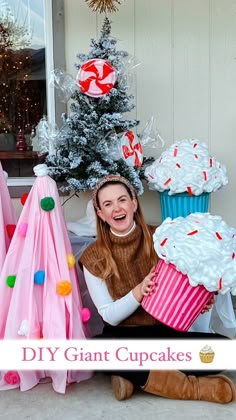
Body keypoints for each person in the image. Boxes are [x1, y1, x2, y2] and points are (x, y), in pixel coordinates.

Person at [79, 174, 236, 404]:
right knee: (93, 350)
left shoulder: (163, 238)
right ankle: (190, 388)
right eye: (108, 204)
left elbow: (185, 287)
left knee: (224, 350)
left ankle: (131, 375)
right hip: (125, 337)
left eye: (122, 200)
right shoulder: (93, 257)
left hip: (167, 334)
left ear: (134, 203)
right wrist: (138, 292)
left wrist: (200, 301)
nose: (116, 209)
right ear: (100, 214)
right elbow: (109, 317)